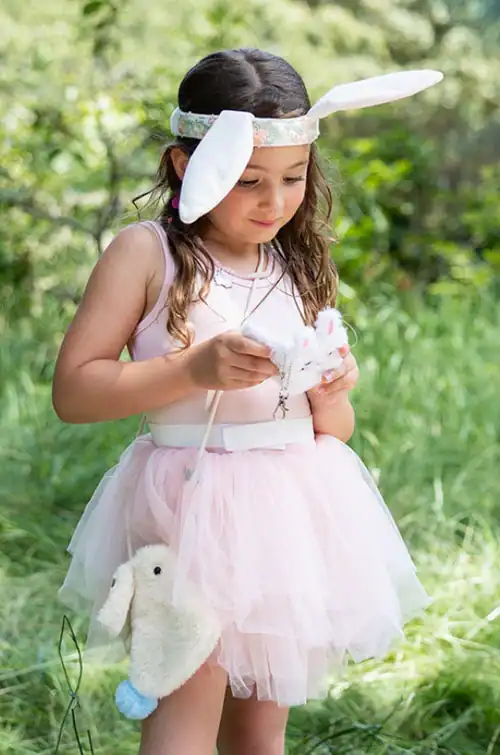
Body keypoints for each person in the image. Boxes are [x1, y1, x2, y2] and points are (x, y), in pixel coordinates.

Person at [53, 48, 441, 755]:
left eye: (293, 178)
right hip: (187, 505)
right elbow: (74, 391)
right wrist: (192, 368)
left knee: (262, 730)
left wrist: (331, 392)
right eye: (248, 180)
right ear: (185, 166)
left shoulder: (294, 264)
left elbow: (333, 430)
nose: (274, 202)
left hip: (288, 519)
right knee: (183, 714)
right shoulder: (147, 254)